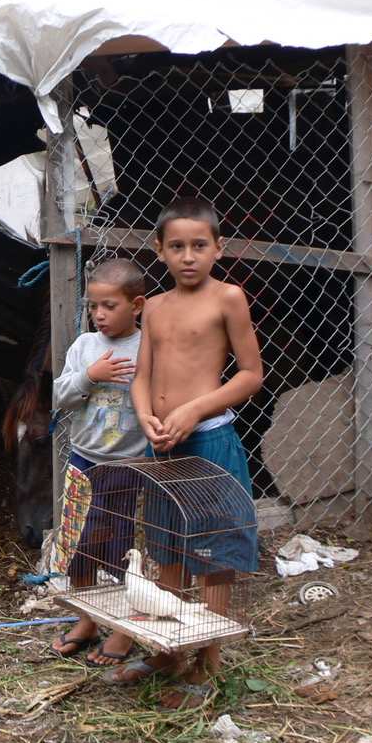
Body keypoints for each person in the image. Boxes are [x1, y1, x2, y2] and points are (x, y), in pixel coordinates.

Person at [108, 196, 264, 709]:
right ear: (160, 250)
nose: (188, 256)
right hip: (162, 445)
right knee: (167, 546)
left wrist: (194, 410)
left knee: (212, 553)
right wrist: (144, 414)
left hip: (208, 439)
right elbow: (142, 375)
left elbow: (250, 374)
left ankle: (208, 661)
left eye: (199, 245)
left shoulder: (229, 298)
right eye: (177, 246)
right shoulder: (153, 306)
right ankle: (170, 649)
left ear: (218, 248)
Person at [49, 258, 148, 667]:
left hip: (131, 466)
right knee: (80, 545)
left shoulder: (148, 347)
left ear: (137, 305)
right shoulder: (85, 347)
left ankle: (125, 628)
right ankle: (88, 620)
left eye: (109, 306)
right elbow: (60, 398)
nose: (99, 315)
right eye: (93, 307)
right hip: (85, 461)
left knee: (129, 551)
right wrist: (90, 376)